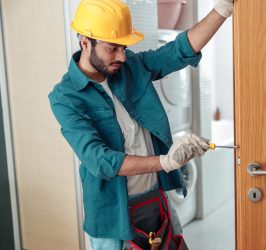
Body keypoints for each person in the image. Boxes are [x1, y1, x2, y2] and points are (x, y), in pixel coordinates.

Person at [48, 0, 234, 249]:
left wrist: (223, 8)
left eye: (124, 48)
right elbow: (99, 160)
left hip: (156, 199)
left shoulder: (131, 67)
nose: (122, 56)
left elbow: (177, 51)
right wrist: (166, 162)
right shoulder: (65, 97)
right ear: (85, 43)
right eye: (113, 48)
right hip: (112, 217)